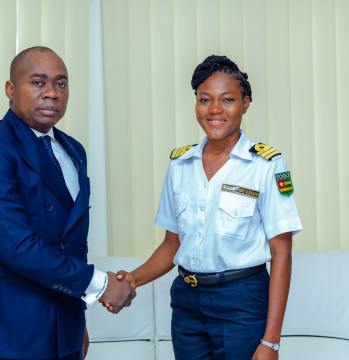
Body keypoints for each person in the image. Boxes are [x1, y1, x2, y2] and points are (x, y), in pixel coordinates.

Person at [105, 55, 302, 360]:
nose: (214, 110)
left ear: (245, 103)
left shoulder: (267, 165)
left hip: (241, 300)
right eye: (204, 99)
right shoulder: (180, 164)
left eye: (227, 100)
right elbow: (173, 244)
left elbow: (282, 253)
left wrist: (271, 342)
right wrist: (132, 279)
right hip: (186, 300)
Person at [0, 46, 135, 360]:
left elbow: (69, 244)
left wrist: (75, 319)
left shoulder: (73, 150)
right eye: (38, 82)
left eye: (61, 84)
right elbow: (17, 246)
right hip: (8, 333)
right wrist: (99, 285)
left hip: (63, 329)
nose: (52, 93)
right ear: (10, 90)